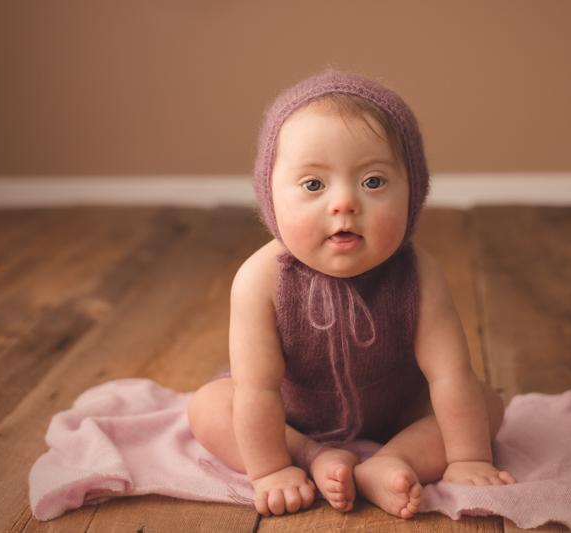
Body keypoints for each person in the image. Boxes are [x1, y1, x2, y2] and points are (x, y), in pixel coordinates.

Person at [188, 70, 517, 520]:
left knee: (482, 403)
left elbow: (449, 375)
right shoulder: (260, 280)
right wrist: (270, 471)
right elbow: (257, 389)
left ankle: (391, 462)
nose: (344, 203)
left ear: (413, 193)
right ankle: (312, 458)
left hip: (398, 409)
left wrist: (468, 457)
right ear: (270, 195)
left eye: (373, 182)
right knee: (209, 408)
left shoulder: (419, 275)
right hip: (288, 420)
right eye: (313, 185)